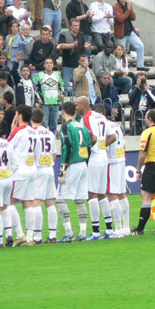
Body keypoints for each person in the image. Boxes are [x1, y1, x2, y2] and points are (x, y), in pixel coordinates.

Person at [76, 97, 115, 241]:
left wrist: (85, 147)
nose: (76, 108)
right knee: (101, 194)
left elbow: (92, 137)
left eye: (77, 105)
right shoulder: (101, 117)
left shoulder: (86, 118)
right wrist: (103, 145)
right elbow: (113, 136)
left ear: (84, 105)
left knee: (91, 194)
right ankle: (109, 229)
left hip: (95, 158)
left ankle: (96, 231)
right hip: (104, 157)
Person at [56, 101, 92, 242]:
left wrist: (64, 165)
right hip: (83, 164)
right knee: (79, 199)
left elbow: (67, 145)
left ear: (63, 111)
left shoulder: (66, 126)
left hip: (72, 164)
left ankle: (69, 233)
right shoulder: (82, 125)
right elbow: (88, 144)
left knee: (60, 199)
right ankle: (82, 233)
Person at [131, 110, 155, 235]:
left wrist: (138, 169)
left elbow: (143, 152)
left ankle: (140, 229)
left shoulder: (147, 132)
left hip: (152, 165)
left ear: (149, 119)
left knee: (146, 198)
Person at [8, 105, 39, 246]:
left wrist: (11, 131)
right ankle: (31, 236)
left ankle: (20, 234)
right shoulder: (33, 131)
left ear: (19, 116)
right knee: (28, 203)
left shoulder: (18, 131)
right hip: (32, 169)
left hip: (19, 171)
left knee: (9, 202)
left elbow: (7, 148)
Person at [29, 109, 58, 244]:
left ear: (31, 119)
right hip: (49, 168)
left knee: (36, 201)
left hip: (38, 169)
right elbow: (54, 154)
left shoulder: (32, 133)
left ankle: (37, 235)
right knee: (50, 202)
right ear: (42, 119)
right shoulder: (50, 133)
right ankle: (52, 234)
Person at [104, 110, 130, 236]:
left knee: (112, 194)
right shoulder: (115, 126)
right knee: (122, 194)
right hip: (121, 160)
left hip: (112, 161)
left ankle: (118, 228)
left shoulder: (104, 127)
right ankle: (126, 226)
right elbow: (123, 144)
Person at [113, 0, 147, 71]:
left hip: (130, 31)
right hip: (120, 34)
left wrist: (131, 10)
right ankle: (121, 69)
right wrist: (129, 10)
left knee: (140, 46)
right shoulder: (115, 7)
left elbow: (133, 18)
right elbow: (120, 19)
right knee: (120, 52)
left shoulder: (128, 5)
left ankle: (140, 66)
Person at [33, 58, 65, 135]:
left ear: (53, 64)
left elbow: (62, 85)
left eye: (50, 63)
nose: (49, 64)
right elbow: (34, 88)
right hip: (44, 103)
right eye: (47, 63)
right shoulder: (39, 75)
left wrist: (62, 93)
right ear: (44, 65)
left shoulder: (57, 74)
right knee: (44, 123)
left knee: (53, 124)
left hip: (55, 102)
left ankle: (53, 139)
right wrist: (38, 99)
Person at [58, 19, 90, 88]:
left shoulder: (81, 34)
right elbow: (61, 45)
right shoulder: (64, 35)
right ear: (70, 27)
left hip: (78, 66)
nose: (77, 27)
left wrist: (86, 46)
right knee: (65, 85)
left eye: (78, 25)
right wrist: (72, 45)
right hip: (67, 65)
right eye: (75, 25)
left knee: (77, 86)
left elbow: (85, 43)